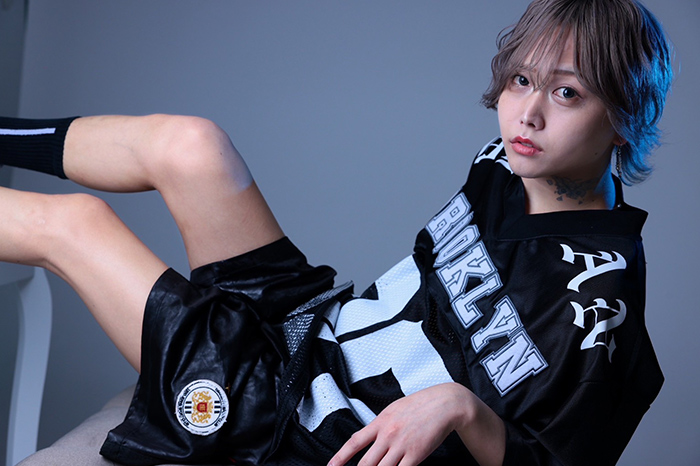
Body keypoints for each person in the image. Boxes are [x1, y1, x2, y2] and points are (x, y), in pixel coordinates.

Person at [0, 0, 673, 464]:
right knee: (191, 146)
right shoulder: (507, 164)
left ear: (624, 118)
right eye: (521, 80)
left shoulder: (596, 307)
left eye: (566, 93)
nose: (526, 114)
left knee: (76, 225)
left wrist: (465, 410)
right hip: (309, 328)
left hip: (289, 424)